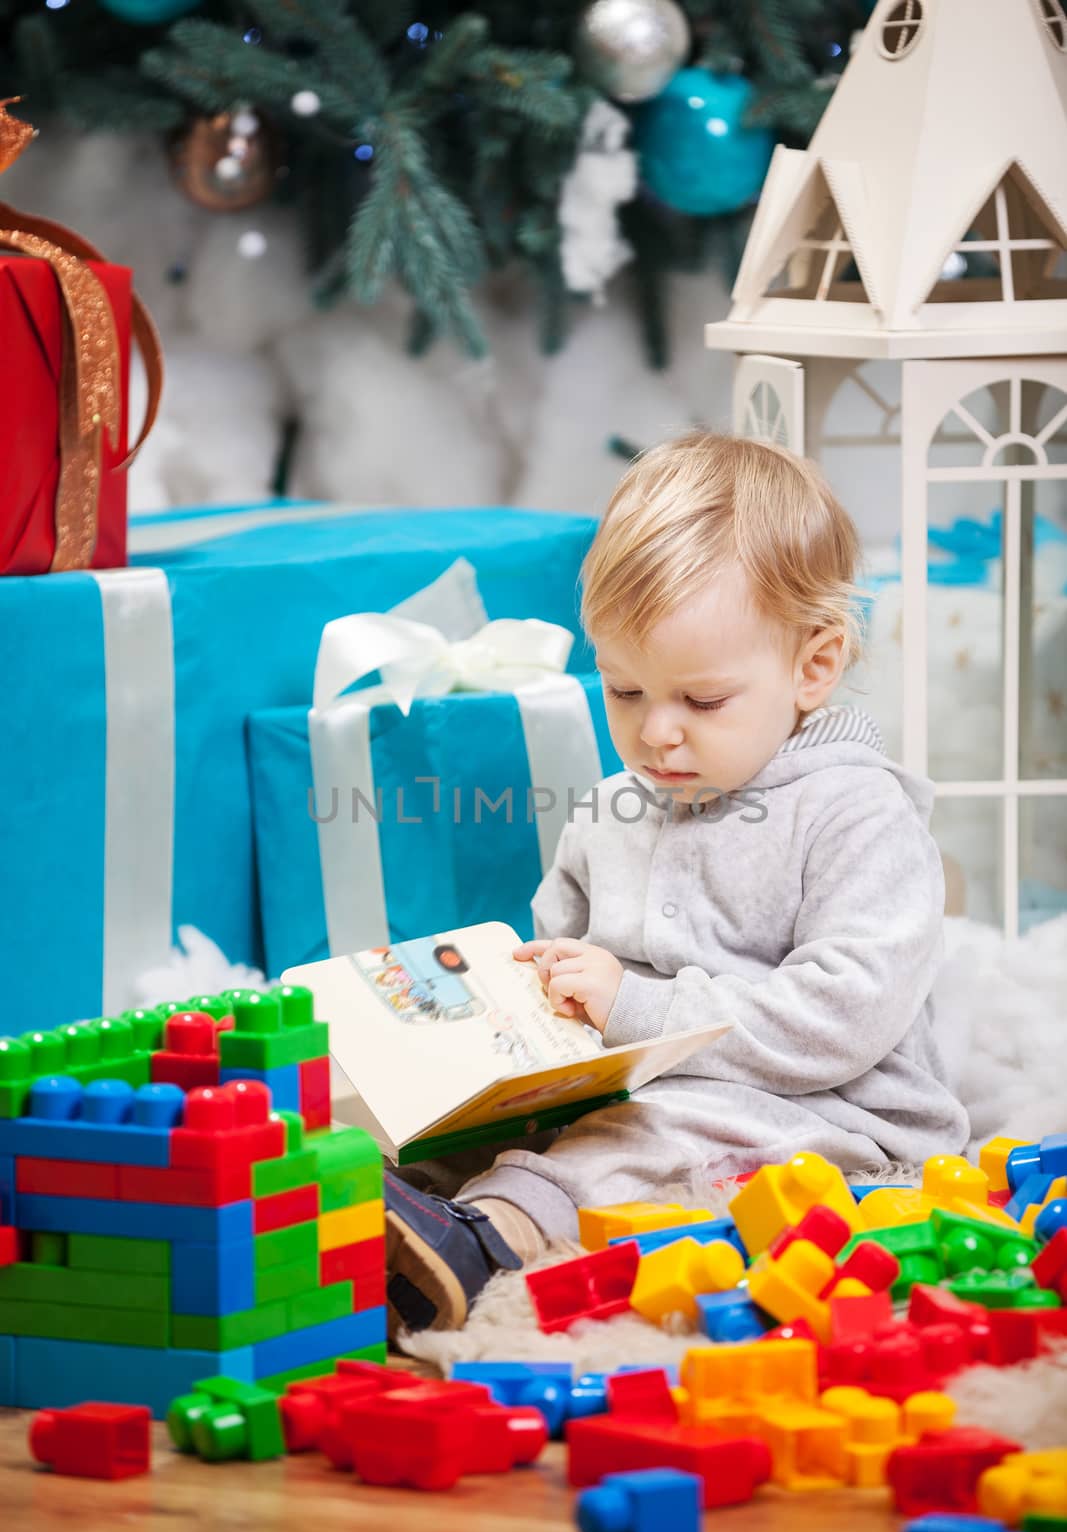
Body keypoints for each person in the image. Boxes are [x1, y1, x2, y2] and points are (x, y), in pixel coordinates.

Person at [383, 431, 968, 1338]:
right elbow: (562, 946)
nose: (657, 735)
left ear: (812, 667)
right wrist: (514, 1017)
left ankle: (485, 1246)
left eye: (701, 702)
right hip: (630, 1077)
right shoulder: (617, 804)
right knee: (453, 1125)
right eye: (623, 692)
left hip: (826, 1114)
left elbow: (841, 1019)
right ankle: (394, 1218)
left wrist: (637, 1010)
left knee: (653, 1134)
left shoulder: (857, 814)